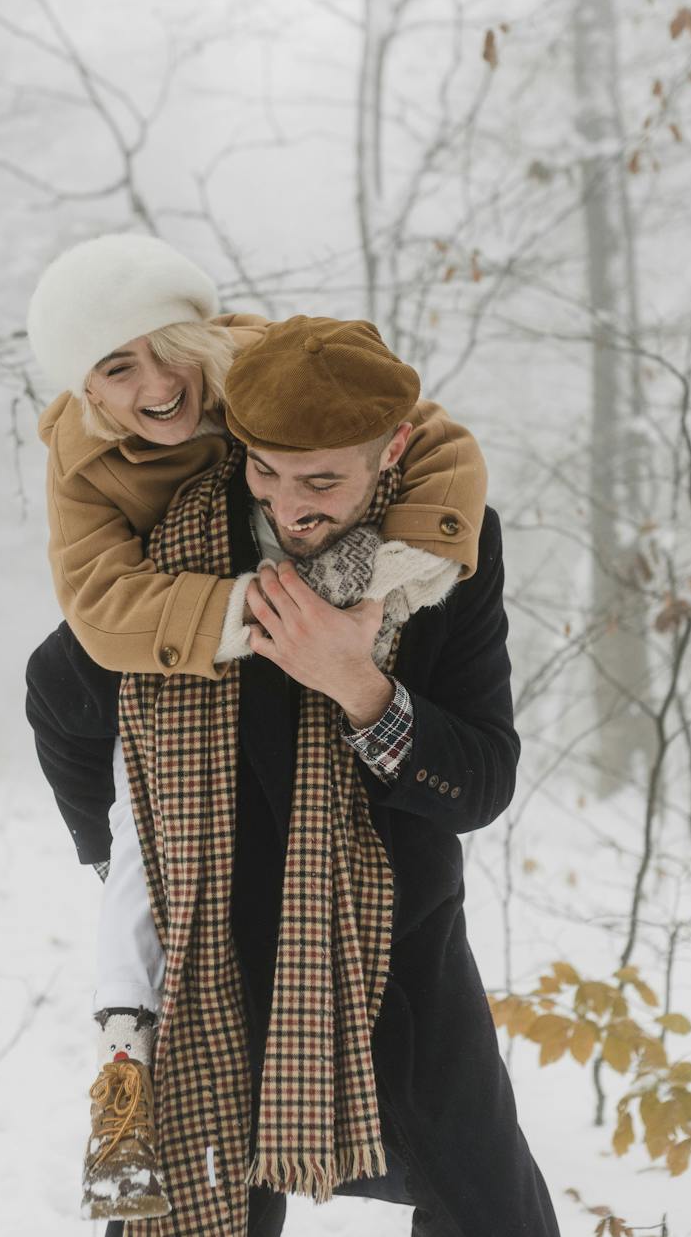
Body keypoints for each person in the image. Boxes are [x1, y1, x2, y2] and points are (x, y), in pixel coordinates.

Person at [28, 315, 559, 1235]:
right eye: (265, 473)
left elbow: (483, 778)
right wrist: (120, 850)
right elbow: (56, 693)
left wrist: (358, 685)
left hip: (390, 958)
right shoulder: (184, 558)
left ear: (392, 449)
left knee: (497, 1218)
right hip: (206, 968)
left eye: (323, 480)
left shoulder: (441, 552)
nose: (289, 507)